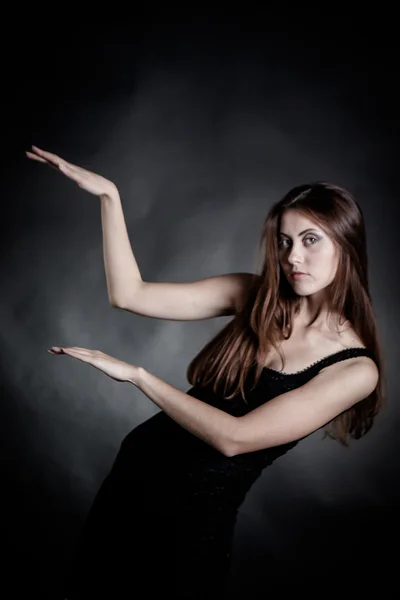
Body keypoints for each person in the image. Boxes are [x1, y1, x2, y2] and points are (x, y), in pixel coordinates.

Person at [26, 146, 386, 598]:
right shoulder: (253, 295)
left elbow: (234, 439)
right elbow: (130, 294)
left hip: (192, 521)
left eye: (311, 239)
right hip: (129, 486)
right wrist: (109, 199)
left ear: (345, 244)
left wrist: (139, 376)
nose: (293, 257)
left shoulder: (355, 370)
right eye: (285, 241)